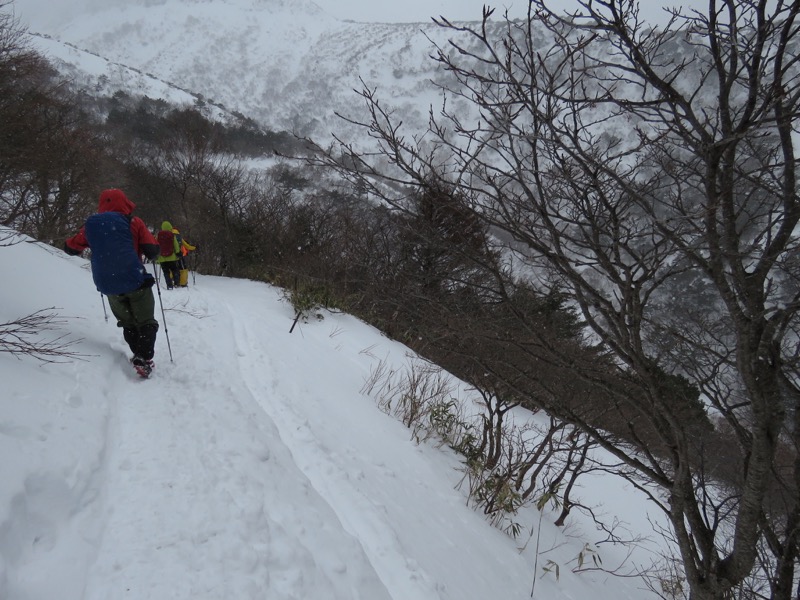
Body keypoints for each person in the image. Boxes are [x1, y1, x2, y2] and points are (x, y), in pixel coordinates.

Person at [64, 188, 160, 378]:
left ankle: (137, 354)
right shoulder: (133, 222)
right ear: (125, 203)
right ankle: (144, 357)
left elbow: (70, 248)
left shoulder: (92, 226)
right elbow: (152, 251)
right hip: (135, 281)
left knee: (128, 322)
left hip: (109, 285)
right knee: (146, 321)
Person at [156, 221, 182, 289]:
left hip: (162, 258)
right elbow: (176, 245)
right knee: (175, 270)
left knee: (166, 272)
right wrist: (178, 252)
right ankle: (177, 283)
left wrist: (156, 255)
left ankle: (169, 285)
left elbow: (155, 245)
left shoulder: (158, 235)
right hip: (172, 257)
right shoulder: (171, 235)